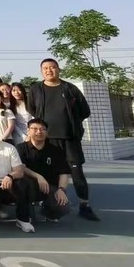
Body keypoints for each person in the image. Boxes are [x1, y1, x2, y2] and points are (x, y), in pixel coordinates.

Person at [28, 59, 97, 217]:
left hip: (69, 139)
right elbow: (32, 109)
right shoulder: (36, 89)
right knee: (47, 171)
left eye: (52, 67)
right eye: (45, 68)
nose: (49, 70)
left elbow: (85, 111)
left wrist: (71, 122)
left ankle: (84, 204)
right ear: (41, 71)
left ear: (58, 69)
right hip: (47, 140)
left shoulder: (70, 88)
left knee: (76, 172)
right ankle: (48, 204)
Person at [16, 119, 71, 223]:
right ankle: (26, 210)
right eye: (35, 129)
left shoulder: (55, 150)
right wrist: (38, 176)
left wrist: (61, 190)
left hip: (49, 186)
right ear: (28, 131)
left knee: (63, 207)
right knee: (21, 186)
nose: (39, 132)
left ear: (46, 132)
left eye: (42, 129)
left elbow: (63, 173)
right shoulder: (21, 148)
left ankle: (47, 211)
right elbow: (20, 167)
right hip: (28, 186)